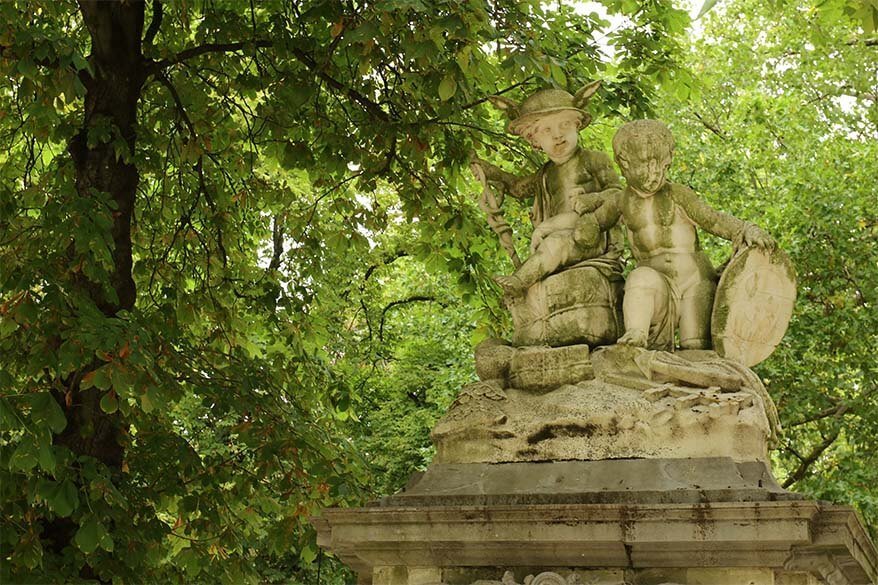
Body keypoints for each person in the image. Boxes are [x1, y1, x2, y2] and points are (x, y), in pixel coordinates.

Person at [610, 119, 775, 350]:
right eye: (647, 164)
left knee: (695, 348)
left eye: (663, 165)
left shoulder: (678, 195)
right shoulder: (620, 201)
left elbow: (713, 219)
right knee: (639, 279)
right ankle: (635, 335)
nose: (655, 172)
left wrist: (745, 228)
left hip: (695, 282)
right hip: (658, 284)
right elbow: (592, 227)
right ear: (624, 164)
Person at [470, 83, 622, 297]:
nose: (558, 135)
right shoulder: (545, 173)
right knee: (553, 245)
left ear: (576, 126)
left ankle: (520, 280)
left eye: (564, 125)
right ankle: (525, 281)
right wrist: (491, 172)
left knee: (555, 244)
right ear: (534, 140)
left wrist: (594, 199)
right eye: (547, 130)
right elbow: (518, 188)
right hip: (556, 237)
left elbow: (617, 193)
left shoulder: (593, 159)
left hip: (589, 235)